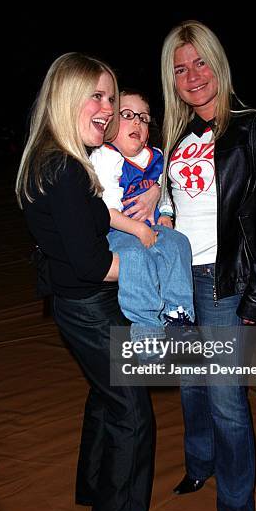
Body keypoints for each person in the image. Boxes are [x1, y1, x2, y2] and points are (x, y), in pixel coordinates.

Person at [15, 53, 159, 511]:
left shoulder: (51, 157)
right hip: (90, 305)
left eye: (111, 97)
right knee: (132, 413)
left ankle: (93, 487)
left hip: (73, 303)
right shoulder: (67, 169)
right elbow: (93, 265)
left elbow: (94, 220)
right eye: (96, 96)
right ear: (67, 98)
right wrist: (157, 273)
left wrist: (136, 220)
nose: (108, 107)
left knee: (105, 396)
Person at [159, 20, 256, 511]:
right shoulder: (173, 137)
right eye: (180, 68)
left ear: (218, 63)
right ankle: (199, 464)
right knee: (191, 387)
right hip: (175, 280)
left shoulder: (254, 128)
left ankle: (236, 506)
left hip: (222, 281)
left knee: (227, 401)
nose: (192, 76)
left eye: (200, 62)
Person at [90, 89, 195, 348]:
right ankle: (146, 325)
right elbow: (107, 212)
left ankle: (178, 313)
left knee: (179, 243)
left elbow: (165, 191)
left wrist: (167, 214)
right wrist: (138, 229)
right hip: (117, 230)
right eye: (127, 115)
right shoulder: (106, 156)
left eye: (144, 118)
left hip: (149, 227)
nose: (137, 121)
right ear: (110, 123)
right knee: (134, 256)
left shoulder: (156, 156)